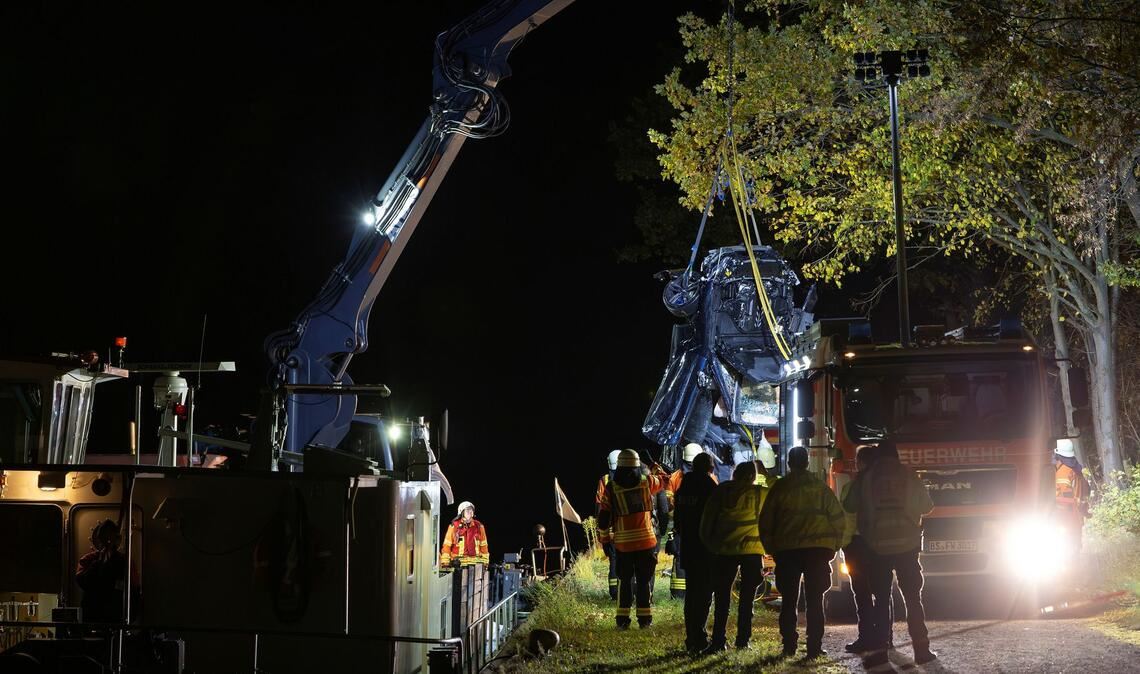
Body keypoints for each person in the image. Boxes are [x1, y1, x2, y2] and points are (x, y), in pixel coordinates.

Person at [845, 439, 936, 667]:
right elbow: (927, 506)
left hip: (876, 548)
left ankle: (880, 652)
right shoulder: (908, 475)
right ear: (896, 455)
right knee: (913, 599)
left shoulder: (865, 477)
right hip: (907, 546)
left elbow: (849, 505)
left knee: (882, 599)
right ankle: (922, 651)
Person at [759, 446, 845, 659]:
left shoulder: (780, 487)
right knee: (815, 601)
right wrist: (834, 546)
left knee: (789, 600)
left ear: (789, 463)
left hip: (787, 552)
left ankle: (789, 646)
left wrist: (771, 548)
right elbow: (838, 519)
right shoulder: (820, 487)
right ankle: (814, 648)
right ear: (807, 463)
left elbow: (766, 521)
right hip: (817, 552)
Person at [699, 460, 769, 652]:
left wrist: (712, 545)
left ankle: (718, 641)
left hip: (725, 551)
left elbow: (707, 522)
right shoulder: (761, 493)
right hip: (753, 552)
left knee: (722, 598)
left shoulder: (722, 491)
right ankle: (743, 640)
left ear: (735, 474)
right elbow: (779, 493)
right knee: (747, 599)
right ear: (752, 476)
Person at [597, 449, 668, 629]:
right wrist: (653, 465)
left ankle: (622, 620)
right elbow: (666, 479)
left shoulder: (611, 488)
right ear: (637, 466)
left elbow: (603, 519)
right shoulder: (647, 483)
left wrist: (605, 541)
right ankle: (644, 621)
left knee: (625, 581)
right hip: (646, 542)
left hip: (623, 544)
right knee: (644, 581)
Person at [840, 445, 892, 653]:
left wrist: (844, 543)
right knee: (882, 592)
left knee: (862, 593)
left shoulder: (857, 484)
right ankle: (884, 638)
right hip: (884, 543)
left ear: (861, 462)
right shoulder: (888, 484)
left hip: (858, 543)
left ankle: (866, 638)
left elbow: (848, 510)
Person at [673, 451, 718, 653]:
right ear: (710, 468)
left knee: (691, 594)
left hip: (688, 547)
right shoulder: (709, 487)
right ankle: (699, 637)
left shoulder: (683, 487)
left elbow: (678, 521)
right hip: (706, 548)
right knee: (704, 594)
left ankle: (691, 636)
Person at [665, 442, 705, 599]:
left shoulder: (675, 477)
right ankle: (698, 591)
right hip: (700, 527)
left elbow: (668, 505)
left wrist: (677, 521)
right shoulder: (709, 477)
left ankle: (679, 594)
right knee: (700, 557)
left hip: (682, 526)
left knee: (681, 556)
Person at [76, 519, 129, 624]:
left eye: (110, 539)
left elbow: (133, 590)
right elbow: (82, 581)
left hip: (116, 618)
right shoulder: (87, 560)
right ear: (98, 540)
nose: (107, 543)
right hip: (91, 617)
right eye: (104, 538)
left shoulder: (124, 562)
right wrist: (98, 563)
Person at [1054, 438, 1089, 556]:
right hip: (1076, 520)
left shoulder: (1063, 471)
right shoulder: (1076, 469)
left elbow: (1064, 496)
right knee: (1074, 554)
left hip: (1065, 519)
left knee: (1065, 557)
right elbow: (1085, 492)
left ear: (1057, 454)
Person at [596, 449, 622, 599]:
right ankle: (626, 591)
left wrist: (601, 532)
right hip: (626, 528)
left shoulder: (604, 480)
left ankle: (614, 593)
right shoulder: (631, 478)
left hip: (610, 529)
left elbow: (599, 506)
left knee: (613, 559)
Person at [440, 501, 490, 568]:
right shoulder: (454, 526)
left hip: (475, 565)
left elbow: (484, 546)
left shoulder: (479, 526)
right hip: (457, 565)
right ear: (461, 512)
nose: (470, 511)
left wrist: (485, 562)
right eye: (468, 509)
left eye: (471, 509)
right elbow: (447, 546)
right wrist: (445, 563)